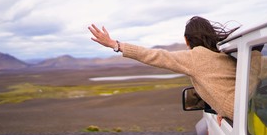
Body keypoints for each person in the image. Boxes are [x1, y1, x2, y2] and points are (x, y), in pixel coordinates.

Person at [88, 16, 238, 123]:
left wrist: (115, 44)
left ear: (187, 40)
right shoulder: (225, 56)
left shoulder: (196, 57)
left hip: (239, 116)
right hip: (247, 113)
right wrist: (222, 110)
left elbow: (155, 55)